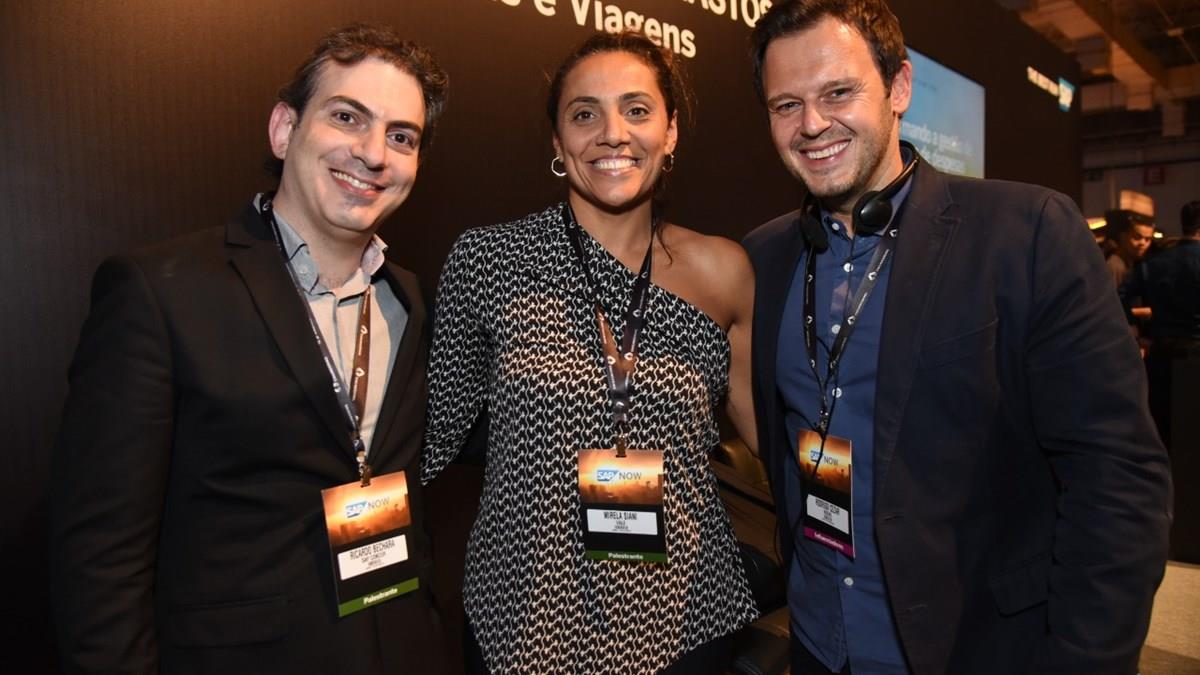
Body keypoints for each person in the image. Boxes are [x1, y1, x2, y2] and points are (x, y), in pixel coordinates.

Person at [741, 1, 1172, 673]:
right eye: (786, 105)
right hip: (820, 644)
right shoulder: (764, 259)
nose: (813, 124)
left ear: (899, 87)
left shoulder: (1026, 234)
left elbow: (1118, 480)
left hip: (975, 650)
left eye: (838, 93)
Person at [49, 25, 452, 674]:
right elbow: (101, 557)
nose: (374, 153)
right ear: (284, 129)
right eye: (347, 117)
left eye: (401, 136)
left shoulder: (412, 300)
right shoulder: (160, 291)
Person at [420, 31, 759, 675]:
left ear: (671, 131)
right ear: (557, 141)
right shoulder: (488, 261)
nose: (612, 134)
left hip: (685, 620)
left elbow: (772, 436)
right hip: (523, 620)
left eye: (637, 109)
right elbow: (427, 437)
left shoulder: (724, 271)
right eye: (584, 114)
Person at [1120, 200, 1200, 449]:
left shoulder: (1153, 263)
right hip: (1196, 352)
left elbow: (1117, 301)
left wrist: (1138, 325)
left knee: (1162, 431)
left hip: (1161, 355)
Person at [1104, 214, 1155, 288]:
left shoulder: (1132, 264)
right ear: (1123, 237)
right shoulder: (1114, 267)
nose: (1143, 243)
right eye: (1137, 237)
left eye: (1147, 239)